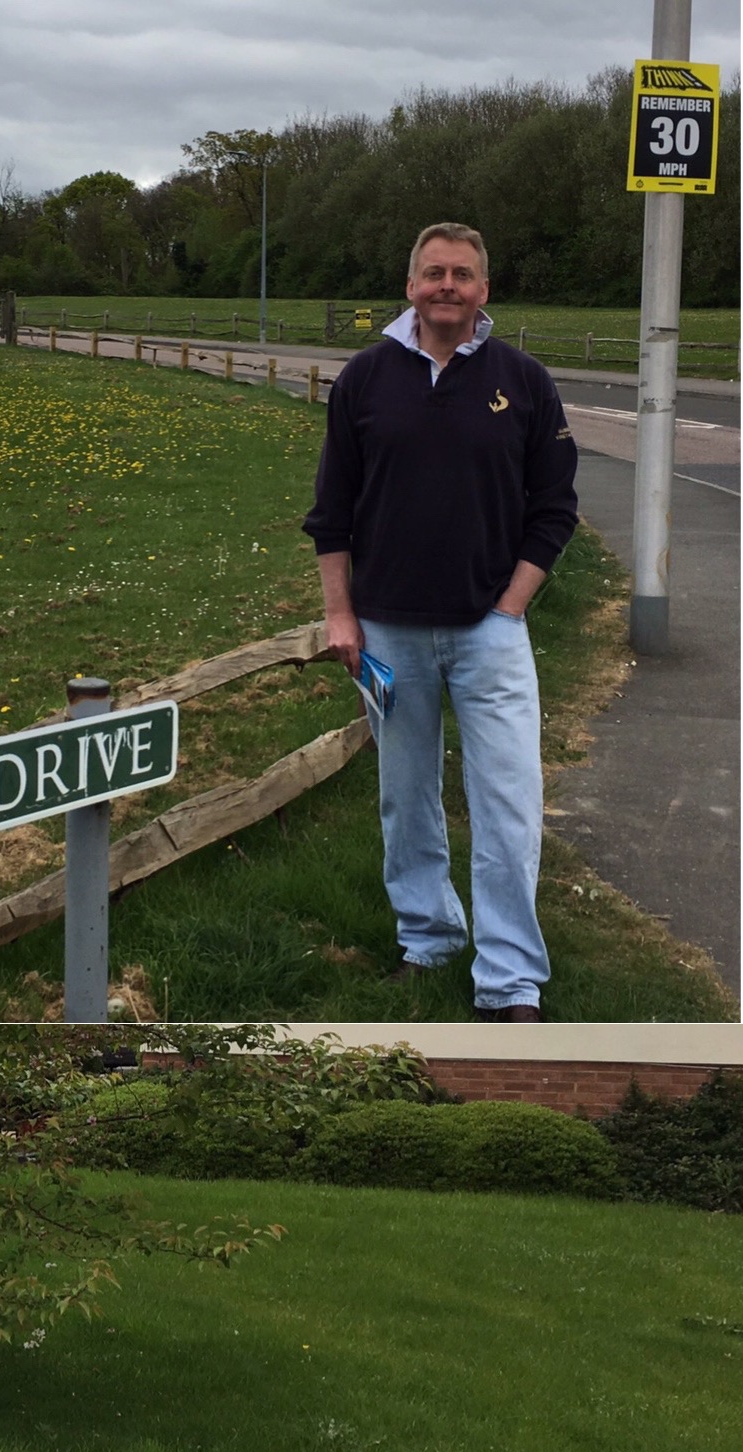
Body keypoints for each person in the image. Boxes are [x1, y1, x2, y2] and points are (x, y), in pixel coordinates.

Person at [305, 222, 579, 1021]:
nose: (447, 286)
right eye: (434, 273)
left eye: (462, 274)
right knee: (407, 796)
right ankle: (429, 941)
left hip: (490, 634)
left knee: (508, 800)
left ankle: (510, 981)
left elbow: (554, 510)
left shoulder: (523, 381)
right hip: (387, 635)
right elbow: (332, 514)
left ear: (484, 290)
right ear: (411, 286)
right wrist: (339, 615)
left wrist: (510, 606)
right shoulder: (364, 379)